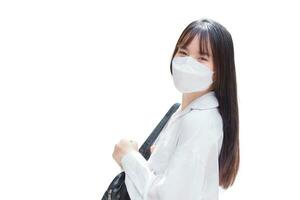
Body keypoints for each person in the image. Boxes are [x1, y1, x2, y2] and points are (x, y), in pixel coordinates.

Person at [112, 18, 240, 200]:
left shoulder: (201, 122)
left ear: (219, 70)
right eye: (183, 52)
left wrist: (129, 157)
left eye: (202, 58)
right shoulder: (184, 112)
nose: (188, 63)